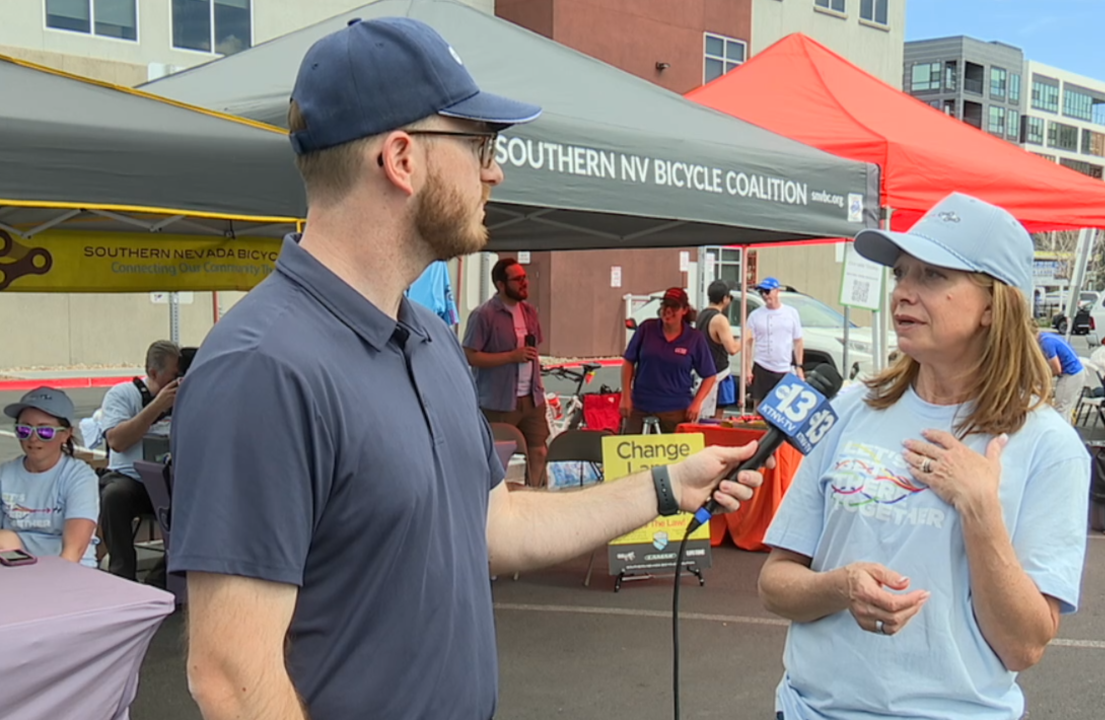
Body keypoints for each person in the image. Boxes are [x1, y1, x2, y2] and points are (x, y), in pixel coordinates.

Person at [166, 18, 764, 720]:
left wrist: (666, 486)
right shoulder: (263, 367)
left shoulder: (427, 337)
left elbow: (496, 524)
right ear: (401, 158)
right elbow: (231, 678)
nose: (495, 169)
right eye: (479, 143)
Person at [758, 193, 1089, 720]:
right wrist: (840, 587)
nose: (903, 294)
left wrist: (981, 510)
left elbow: (1025, 646)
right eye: (900, 274)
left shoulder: (1047, 445)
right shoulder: (849, 408)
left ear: (992, 305)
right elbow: (776, 584)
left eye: (932, 276)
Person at [98, 339, 181, 580]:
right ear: (153, 373)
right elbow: (117, 441)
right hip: (131, 479)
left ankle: (161, 578)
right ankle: (122, 573)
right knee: (114, 496)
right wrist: (158, 406)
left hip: (172, 480)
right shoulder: (123, 394)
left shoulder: (186, 398)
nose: (177, 382)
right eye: (172, 376)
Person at [464, 258, 550, 487]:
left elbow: (533, 350)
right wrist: (511, 357)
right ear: (501, 285)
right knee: (495, 457)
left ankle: (534, 500)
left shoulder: (530, 311)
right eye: (518, 279)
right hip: (498, 401)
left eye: (526, 277)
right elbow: (469, 356)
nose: (525, 283)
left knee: (539, 451)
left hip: (532, 398)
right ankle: (496, 503)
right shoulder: (483, 315)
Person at [0, 387, 99, 567]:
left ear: (66, 434)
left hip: (70, 571)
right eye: (24, 430)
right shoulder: (4, 474)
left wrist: (50, 587)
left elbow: (73, 551)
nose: (33, 438)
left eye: (45, 431)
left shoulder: (79, 477)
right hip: (17, 570)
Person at [621, 287, 717, 433]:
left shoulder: (694, 338)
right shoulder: (647, 329)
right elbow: (628, 362)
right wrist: (625, 396)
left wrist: (697, 403)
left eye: (674, 306)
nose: (668, 310)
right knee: (632, 454)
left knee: (675, 456)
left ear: (684, 310)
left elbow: (709, 375)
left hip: (676, 411)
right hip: (640, 407)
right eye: (665, 305)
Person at [745, 277, 804, 405]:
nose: (765, 296)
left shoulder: (791, 313)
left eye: (767, 291)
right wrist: (748, 369)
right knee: (759, 405)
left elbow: (798, 341)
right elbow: (748, 342)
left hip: (783, 367)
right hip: (762, 365)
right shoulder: (755, 315)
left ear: (777, 291)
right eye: (762, 293)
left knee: (782, 405)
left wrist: (799, 366)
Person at [695, 279, 741, 419]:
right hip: (718, 374)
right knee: (715, 418)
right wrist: (746, 337)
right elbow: (732, 348)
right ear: (724, 298)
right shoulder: (719, 319)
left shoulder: (701, 316)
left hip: (702, 371)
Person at [1038, 329, 1085, 424]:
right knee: (1065, 408)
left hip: (1070, 374)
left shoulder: (1046, 343)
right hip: (1075, 372)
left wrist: (1042, 378)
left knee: (1061, 408)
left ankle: (1062, 434)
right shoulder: (1046, 336)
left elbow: (1056, 368)